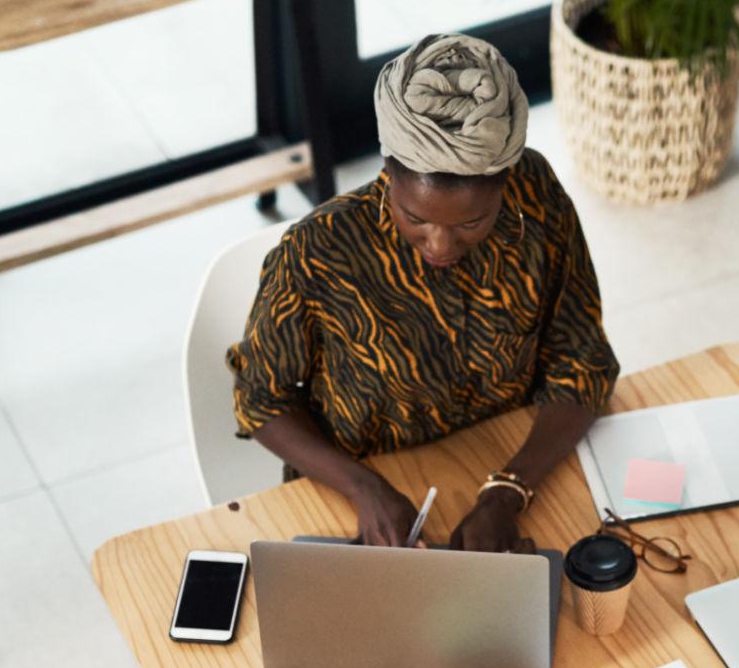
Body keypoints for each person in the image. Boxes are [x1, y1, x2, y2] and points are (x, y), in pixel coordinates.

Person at [227, 32, 619, 550]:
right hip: (361, 494)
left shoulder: (536, 195)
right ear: (387, 173)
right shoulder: (316, 251)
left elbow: (583, 363)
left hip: (510, 459)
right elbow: (261, 400)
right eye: (415, 217)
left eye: (473, 222)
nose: (440, 244)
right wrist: (365, 490)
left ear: (506, 181)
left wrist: (506, 492)